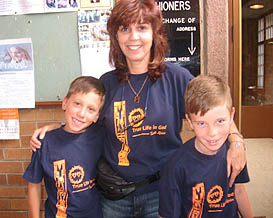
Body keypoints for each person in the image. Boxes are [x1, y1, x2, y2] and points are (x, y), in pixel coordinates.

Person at [29, 0, 246, 217]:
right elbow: (87, 119)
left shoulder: (177, 78)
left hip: (162, 191)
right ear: (116, 37)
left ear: (155, 33)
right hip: (115, 195)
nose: (133, 37)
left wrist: (236, 140)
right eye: (125, 29)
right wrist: (57, 127)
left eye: (142, 27)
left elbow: (215, 108)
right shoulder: (107, 83)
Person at [159, 75, 253, 218]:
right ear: (190, 121)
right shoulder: (175, 166)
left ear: (231, 115)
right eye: (201, 123)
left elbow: (239, 191)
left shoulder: (234, 153)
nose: (212, 133)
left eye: (220, 121)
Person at [23, 76, 106, 218]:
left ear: (97, 116)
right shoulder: (44, 142)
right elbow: (34, 184)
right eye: (77, 104)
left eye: (91, 109)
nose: (81, 114)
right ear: (65, 103)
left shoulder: (101, 135)